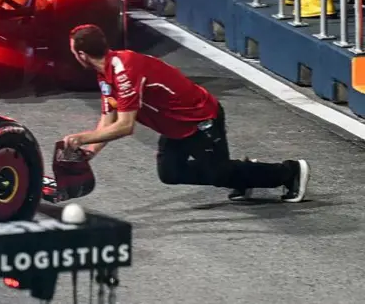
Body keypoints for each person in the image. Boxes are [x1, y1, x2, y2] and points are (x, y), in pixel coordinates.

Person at [61, 24, 311, 203]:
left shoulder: (124, 70)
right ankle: (243, 173)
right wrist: (89, 150)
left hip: (200, 119)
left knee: (219, 173)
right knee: (170, 174)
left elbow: (125, 126)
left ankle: (289, 172)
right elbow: (109, 118)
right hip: (173, 126)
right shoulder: (105, 73)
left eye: (73, 52)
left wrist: (81, 138)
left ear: (82, 54)